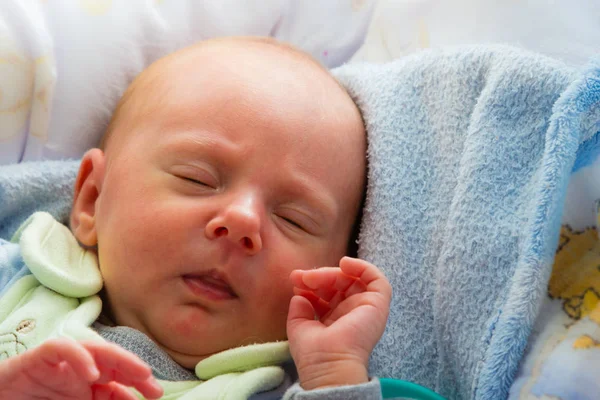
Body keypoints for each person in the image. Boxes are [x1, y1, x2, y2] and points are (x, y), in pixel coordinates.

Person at [0, 37, 392, 399]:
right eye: (198, 179)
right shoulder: (17, 280)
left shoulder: (288, 386)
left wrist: (333, 373)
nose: (242, 221)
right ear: (92, 199)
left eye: (294, 219)